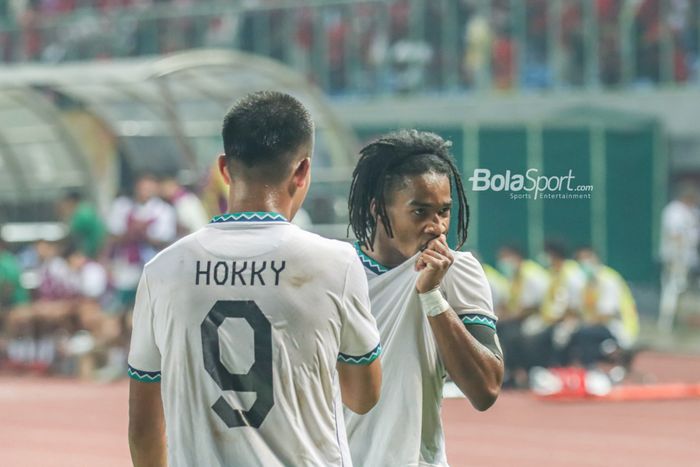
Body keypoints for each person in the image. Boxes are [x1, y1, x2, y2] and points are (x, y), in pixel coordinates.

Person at [128, 91, 382, 467]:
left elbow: (144, 429)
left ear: (225, 169)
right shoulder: (337, 263)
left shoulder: (162, 270)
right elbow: (362, 396)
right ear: (302, 171)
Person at [345, 130, 503, 466]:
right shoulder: (336, 271)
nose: (437, 226)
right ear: (377, 209)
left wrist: (431, 296)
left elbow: (486, 389)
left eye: (444, 211)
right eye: (420, 212)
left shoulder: (457, 270)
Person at [568, 246, 639, 368]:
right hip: (596, 325)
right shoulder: (583, 281)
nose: (584, 263)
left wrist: (582, 322)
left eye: (587, 258)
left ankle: (592, 370)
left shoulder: (609, 279)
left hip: (618, 327)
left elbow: (606, 315)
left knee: (583, 334)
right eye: (580, 260)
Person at [495, 244, 549, 386]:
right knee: (498, 328)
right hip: (518, 318)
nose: (503, 262)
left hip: (538, 317)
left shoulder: (532, 274)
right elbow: (506, 302)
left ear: (516, 257)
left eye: (505, 258)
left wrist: (506, 317)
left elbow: (531, 307)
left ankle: (522, 372)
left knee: (511, 333)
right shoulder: (512, 277)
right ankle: (510, 371)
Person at [658, 183, 699, 332]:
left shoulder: (693, 211)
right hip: (676, 257)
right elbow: (675, 235)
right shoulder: (674, 211)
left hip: (689, 258)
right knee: (672, 290)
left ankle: (679, 321)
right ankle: (666, 323)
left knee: (683, 291)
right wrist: (678, 258)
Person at [57, 191, 106, 259]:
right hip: (98, 248)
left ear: (70, 201)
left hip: (95, 250)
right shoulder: (85, 208)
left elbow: (70, 233)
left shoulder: (82, 213)